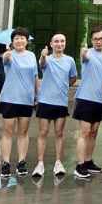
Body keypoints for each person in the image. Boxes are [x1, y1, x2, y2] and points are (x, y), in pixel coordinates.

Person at [32, 33, 77, 178]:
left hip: (61, 102)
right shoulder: (47, 59)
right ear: (51, 44)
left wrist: (63, 86)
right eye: (56, 41)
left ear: (65, 43)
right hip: (45, 101)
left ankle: (58, 162)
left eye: (62, 41)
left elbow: (73, 77)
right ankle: (40, 163)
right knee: (43, 132)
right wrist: (43, 55)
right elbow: (42, 64)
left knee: (59, 133)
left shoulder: (70, 60)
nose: (59, 44)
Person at [0, 27, 39, 178]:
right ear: (12, 41)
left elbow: (35, 77)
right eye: (16, 38)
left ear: (27, 41)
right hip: (9, 98)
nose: (19, 41)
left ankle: (21, 162)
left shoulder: (31, 56)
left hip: (26, 99)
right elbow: (5, 60)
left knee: (23, 132)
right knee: (8, 132)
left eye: (22, 38)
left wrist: (37, 95)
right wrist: (7, 54)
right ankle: (6, 163)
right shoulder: (8, 55)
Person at [72, 26, 102, 179]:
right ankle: (80, 165)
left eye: (101, 38)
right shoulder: (88, 53)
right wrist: (83, 53)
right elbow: (84, 57)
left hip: (99, 101)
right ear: (91, 40)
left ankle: (88, 161)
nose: (98, 41)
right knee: (84, 132)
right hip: (85, 98)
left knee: (94, 132)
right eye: (95, 39)